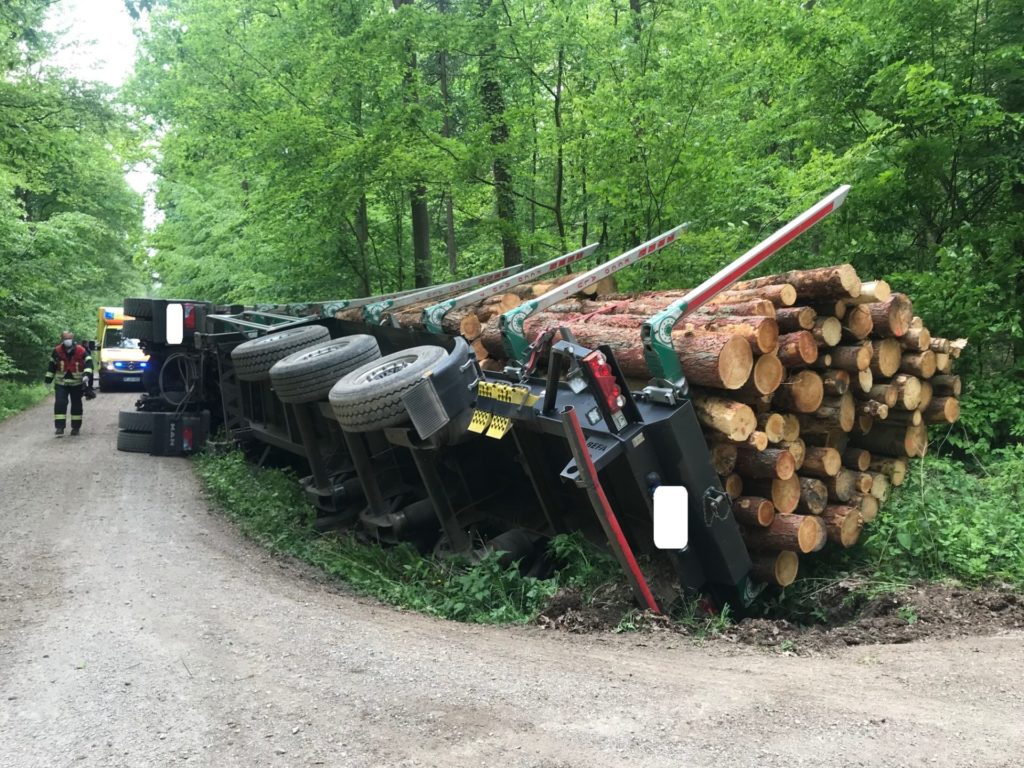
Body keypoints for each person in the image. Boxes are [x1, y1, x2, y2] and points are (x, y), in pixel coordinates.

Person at [44, 331, 94, 436]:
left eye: (69, 338)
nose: (68, 340)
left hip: (77, 383)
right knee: (60, 404)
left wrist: (86, 374)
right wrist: (48, 380)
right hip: (61, 383)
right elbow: (52, 365)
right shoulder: (57, 351)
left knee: (76, 405)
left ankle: (75, 428)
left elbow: (89, 362)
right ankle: (59, 428)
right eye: (66, 338)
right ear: (62, 339)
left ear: (73, 339)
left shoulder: (81, 350)